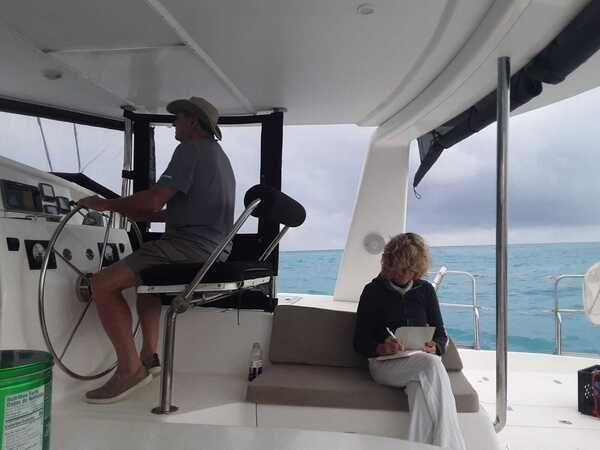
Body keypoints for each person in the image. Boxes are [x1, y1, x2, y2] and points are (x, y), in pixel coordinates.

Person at [78, 97, 235, 404]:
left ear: (192, 121)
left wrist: (105, 205)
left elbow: (152, 201)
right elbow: (185, 210)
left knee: (101, 284)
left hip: (190, 247)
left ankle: (129, 371)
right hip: (215, 249)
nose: (173, 123)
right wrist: (138, 212)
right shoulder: (219, 157)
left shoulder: (189, 150)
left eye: (178, 118)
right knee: (146, 283)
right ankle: (149, 357)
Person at [353, 233, 466, 450]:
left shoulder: (426, 291)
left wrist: (435, 346)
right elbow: (359, 341)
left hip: (419, 363)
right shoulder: (372, 291)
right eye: (402, 268)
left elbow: (441, 335)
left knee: (422, 396)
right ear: (390, 263)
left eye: (412, 269)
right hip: (384, 365)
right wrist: (382, 347)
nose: (407, 274)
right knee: (431, 364)